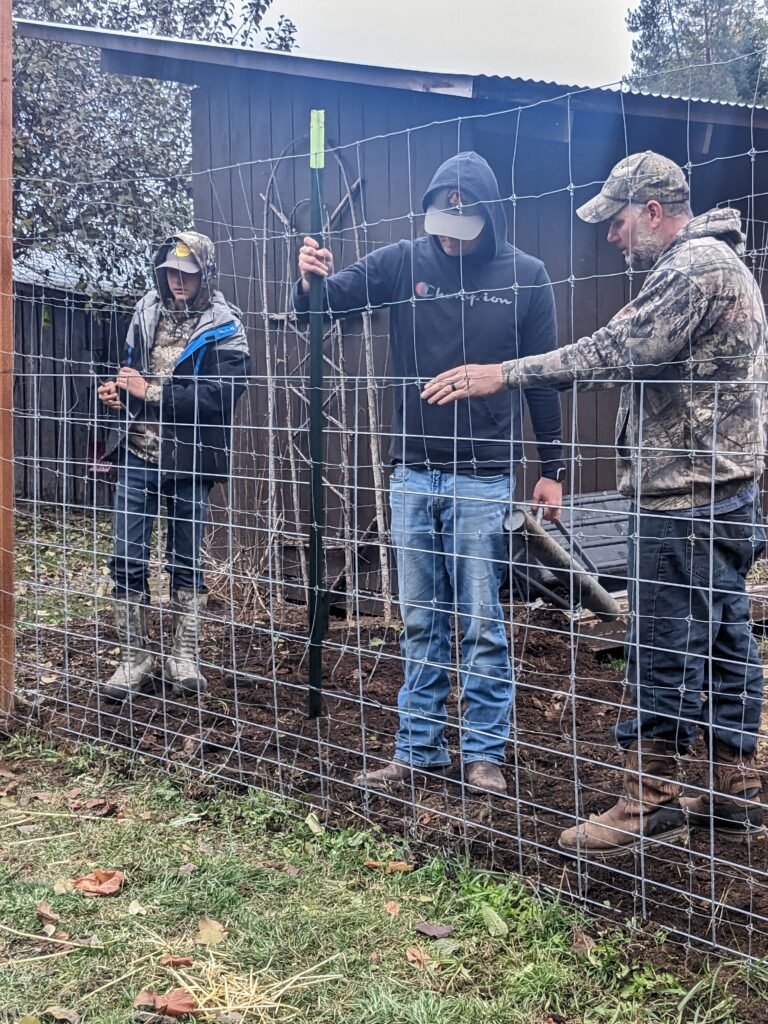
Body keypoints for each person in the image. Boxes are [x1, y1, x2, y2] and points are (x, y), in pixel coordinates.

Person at [422, 151, 767, 852]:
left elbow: (614, 350)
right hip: (724, 493)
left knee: (662, 648)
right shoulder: (719, 261)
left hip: (683, 501)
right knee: (726, 639)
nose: (610, 236)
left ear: (652, 212)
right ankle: (736, 785)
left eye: (616, 220)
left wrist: (505, 373)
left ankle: (648, 799)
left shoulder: (692, 269)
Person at [295, 151, 565, 794]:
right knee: (420, 622)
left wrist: (552, 467)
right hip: (413, 473)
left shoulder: (526, 276)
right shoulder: (403, 261)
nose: (450, 238)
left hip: (483, 476)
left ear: (490, 217)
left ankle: (484, 754)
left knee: (482, 624)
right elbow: (324, 307)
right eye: (442, 224)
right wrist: (309, 280)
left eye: (463, 227)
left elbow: (543, 379)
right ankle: (418, 749)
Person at [98, 231, 250, 701]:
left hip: (190, 459)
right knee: (126, 557)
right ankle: (134, 658)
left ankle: (183, 656)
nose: (177, 281)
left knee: (185, 560)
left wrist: (150, 391)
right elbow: (131, 372)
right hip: (137, 453)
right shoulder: (145, 312)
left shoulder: (226, 326)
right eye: (169, 272)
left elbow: (221, 396)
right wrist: (120, 394)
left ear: (206, 274)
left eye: (187, 273)